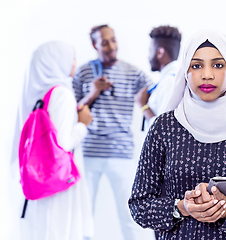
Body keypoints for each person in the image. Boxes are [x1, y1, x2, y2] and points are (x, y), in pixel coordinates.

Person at [128, 29, 226, 239]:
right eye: (196, 65)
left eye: (218, 65)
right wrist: (181, 207)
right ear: (185, 70)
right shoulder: (165, 127)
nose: (207, 74)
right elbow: (139, 204)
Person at [72, 24, 154, 240]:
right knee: (83, 215)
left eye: (113, 40)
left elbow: (158, 92)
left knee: (130, 214)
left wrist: (146, 108)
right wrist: (93, 92)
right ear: (94, 45)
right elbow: (71, 113)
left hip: (121, 152)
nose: (110, 46)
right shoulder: (83, 72)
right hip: (90, 152)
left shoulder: (133, 72)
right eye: (104, 42)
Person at [14, 41, 94, 240]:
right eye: (71, 57)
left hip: (38, 177)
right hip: (59, 180)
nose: (74, 62)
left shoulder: (35, 94)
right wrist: (83, 124)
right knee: (58, 230)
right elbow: (63, 143)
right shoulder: (62, 94)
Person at [135, 25, 181, 128]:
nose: (148, 56)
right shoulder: (172, 79)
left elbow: (163, 129)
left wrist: (144, 106)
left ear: (160, 52)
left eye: (150, 50)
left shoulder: (169, 82)